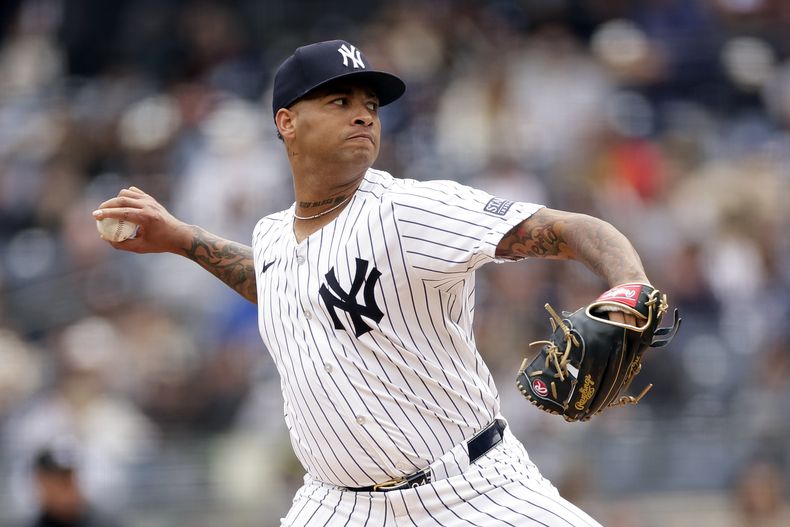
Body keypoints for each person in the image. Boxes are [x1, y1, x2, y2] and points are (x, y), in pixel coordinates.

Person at [94, 40, 651, 526]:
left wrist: (629, 288)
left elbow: (571, 228)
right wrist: (183, 239)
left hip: (472, 491)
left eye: (370, 106)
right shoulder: (272, 235)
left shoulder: (409, 211)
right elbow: (285, 288)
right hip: (336, 506)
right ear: (287, 121)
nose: (363, 116)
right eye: (340, 102)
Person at [27, 445, 123, 527]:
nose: (65, 490)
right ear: (40, 483)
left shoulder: (106, 523)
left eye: (68, 480)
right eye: (57, 482)